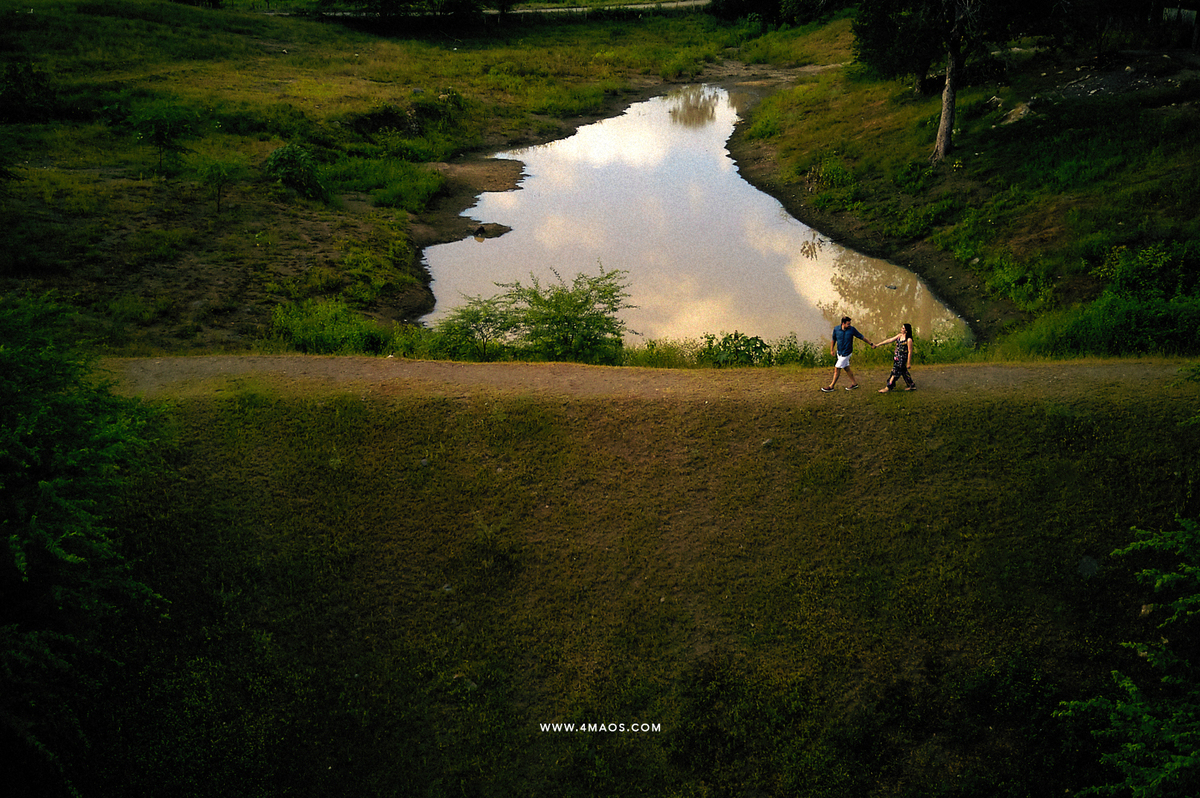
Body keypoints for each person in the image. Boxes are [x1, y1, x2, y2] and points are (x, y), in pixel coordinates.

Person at [821, 316, 874, 392]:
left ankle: (831, 386)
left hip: (847, 353)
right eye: (848, 324)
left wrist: (871, 344)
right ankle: (854, 383)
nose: (849, 325)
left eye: (850, 323)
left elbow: (861, 337)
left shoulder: (852, 330)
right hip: (839, 353)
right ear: (843, 323)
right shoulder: (836, 329)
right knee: (846, 368)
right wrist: (831, 350)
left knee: (837, 368)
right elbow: (833, 340)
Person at [874, 322, 916, 392]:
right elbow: (890, 340)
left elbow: (910, 352)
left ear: (906, 330)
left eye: (903, 328)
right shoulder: (899, 336)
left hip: (902, 359)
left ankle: (888, 387)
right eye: (902, 328)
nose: (901, 329)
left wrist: (908, 363)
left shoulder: (909, 340)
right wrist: (878, 344)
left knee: (895, 372)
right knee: (903, 371)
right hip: (897, 357)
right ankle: (911, 385)